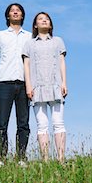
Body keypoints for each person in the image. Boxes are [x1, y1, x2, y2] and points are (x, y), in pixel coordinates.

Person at [22, 12, 68, 163]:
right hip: (37, 87)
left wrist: (64, 83)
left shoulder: (58, 41)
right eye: (40, 19)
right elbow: (26, 66)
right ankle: (46, 160)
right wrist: (28, 86)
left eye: (47, 19)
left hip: (55, 85)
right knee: (42, 125)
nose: (44, 21)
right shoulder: (29, 43)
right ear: (35, 25)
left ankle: (61, 160)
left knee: (58, 123)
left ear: (50, 24)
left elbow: (62, 63)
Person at [0, 3, 32, 165]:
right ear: (8, 15)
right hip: (4, 83)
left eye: (18, 10)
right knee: (2, 122)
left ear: (22, 15)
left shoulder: (29, 36)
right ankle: (0, 158)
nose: (15, 12)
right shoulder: (0, 35)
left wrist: (31, 85)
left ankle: (21, 157)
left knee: (23, 123)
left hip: (23, 84)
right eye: (12, 10)